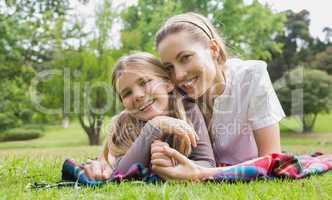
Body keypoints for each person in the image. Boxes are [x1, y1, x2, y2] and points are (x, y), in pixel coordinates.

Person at [151, 12, 285, 180]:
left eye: (185, 58)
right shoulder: (176, 95)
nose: (177, 75)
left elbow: (273, 160)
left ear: (213, 49)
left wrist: (200, 174)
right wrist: (109, 156)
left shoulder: (251, 75)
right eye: (169, 67)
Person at [82, 52, 215, 180]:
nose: (138, 95)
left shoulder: (188, 110)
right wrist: (153, 127)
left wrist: (174, 165)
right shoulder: (124, 123)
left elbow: (208, 164)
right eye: (127, 93)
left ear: (167, 83)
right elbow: (121, 172)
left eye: (144, 82)